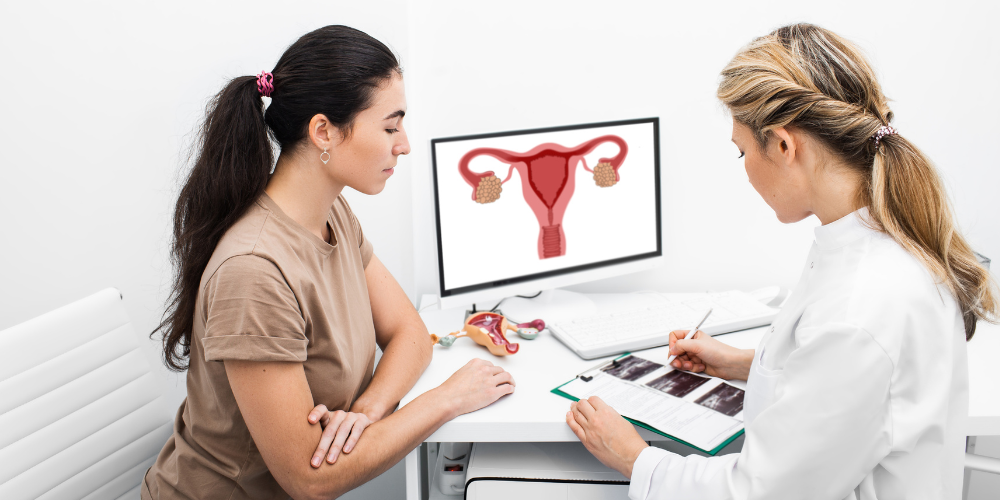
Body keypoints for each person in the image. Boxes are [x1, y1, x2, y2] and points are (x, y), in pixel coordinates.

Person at [565, 23, 997, 500]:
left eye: (742, 151)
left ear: (784, 144)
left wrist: (634, 458)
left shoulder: (863, 305)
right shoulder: (874, 243)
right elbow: (852, 390)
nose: (744, 168)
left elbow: (761, 493)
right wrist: (746, 364)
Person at [144, 25, 514, 500]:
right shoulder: (254, 271)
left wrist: (367, 412)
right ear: (323, 131)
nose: (403, 144)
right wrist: (443, 401)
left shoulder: (331, 212)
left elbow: (410, 333)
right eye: (389, 126)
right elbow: (309, 478)